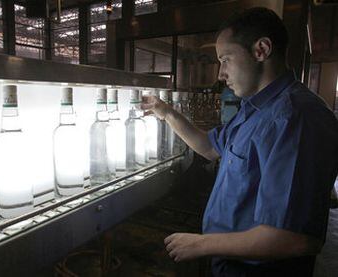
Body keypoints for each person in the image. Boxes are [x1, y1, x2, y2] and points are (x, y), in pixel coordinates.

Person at [141, 7, 338, 277]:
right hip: (227, 264)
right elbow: (210, 147)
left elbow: (295, 239)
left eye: (226, 59)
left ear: (261, 50)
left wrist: (201, 244)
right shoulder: (254, 109)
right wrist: (167, 113)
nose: (221, 73)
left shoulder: (296, 119)